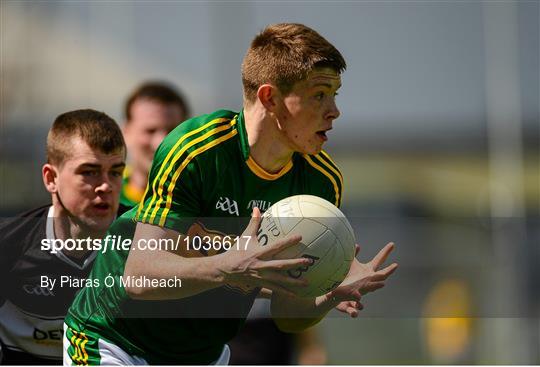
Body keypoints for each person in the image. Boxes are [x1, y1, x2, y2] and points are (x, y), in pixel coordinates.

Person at [64, 23, 398, 365]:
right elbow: (139, 276)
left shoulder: (320, 183)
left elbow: (287, 316)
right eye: (319, 95)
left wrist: (325, 294)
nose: (334, 111)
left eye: (335, 95)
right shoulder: (197, 151)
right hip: (114, 341)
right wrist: (230, 266)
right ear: (270, 97)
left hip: (202, 357)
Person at [0, 109, 126, 364]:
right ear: (51, 178)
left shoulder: (147, 241)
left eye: (115, 172)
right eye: (89, 172)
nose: (106, 186)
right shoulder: (9, 245)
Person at [120, 82, 189, 209]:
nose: (160, 142)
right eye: (150, 131)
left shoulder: (204, 200)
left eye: (172, 131)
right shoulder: (103, 195)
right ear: (126, 132)